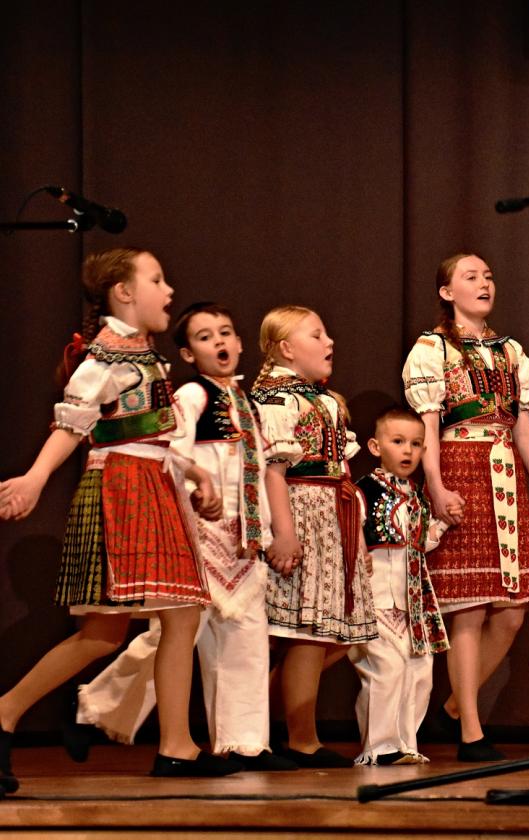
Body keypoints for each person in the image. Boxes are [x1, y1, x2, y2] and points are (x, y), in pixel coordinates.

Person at [0, 249, 240, 789]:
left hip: (149, 481)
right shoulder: (107, 358)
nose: (169, 290)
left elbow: (142, 434)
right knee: (113, 629)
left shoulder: (140, 354)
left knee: (165, 619)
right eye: (157, 279)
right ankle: (7, 711)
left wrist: (194, 473)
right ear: (124, 292)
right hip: (124, 490)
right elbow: (73, 425)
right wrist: (36, 477)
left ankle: (176, 745)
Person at [73, 302, 296, 770]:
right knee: (172, 637)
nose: (219, 342)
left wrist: (267, 528)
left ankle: (244, 743)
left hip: (241, 539)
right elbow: (171, 452)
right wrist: (197, 491)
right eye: (205, 336)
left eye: (226, 332)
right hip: (200, 533)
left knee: (245, 640)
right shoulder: (193, 395)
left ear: (240, 343)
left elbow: (255, 471)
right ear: (189, 354)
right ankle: (96, 708)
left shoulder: (247, 403)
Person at [402, 252, 529, 762]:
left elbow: (523, 428)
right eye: (471, 277)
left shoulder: (510, 351)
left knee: (511, 612)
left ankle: (453, 707)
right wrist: (436, 486)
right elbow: (428, 425)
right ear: (448, 292)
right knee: (467, 610)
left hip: (505, 474)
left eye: (488, 275)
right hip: (462, 469)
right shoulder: (433, 349)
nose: (484, 283)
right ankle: (471, 729)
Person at [253, 305, 376, 768]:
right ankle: (301, 737)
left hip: (332, 516)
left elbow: (340, 471)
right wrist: (284, 533)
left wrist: (355, 536)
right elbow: (274, 470)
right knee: (307, 633)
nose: (329, 342)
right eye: (317, 335)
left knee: (332, 632)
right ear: (286, 348)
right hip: (302, 512)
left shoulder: (321, 399)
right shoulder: (278, 399)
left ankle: (260, 719)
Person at [350, 408, 450, 765]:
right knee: (385, 670)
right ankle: (378, 747)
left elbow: (420, 542)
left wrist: (441, 526)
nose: (408, 451)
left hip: (413, 602)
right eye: (398, 442)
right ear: (375, 447)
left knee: (419, 672)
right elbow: (352, 530)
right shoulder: (363, 490)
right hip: (375, 597)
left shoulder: (418, 497)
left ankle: (406, 742)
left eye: (416, 444)